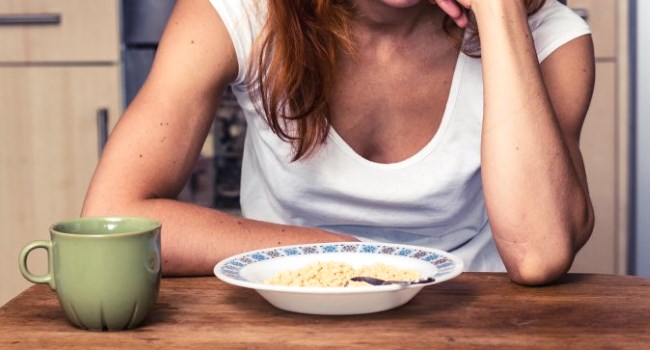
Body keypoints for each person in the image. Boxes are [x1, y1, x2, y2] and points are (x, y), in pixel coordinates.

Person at [81, 0, 595, 285]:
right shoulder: (240, 13)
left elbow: (540, 255)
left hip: (475, 318)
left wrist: (498, 11)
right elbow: (114, 212)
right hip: (289, 308)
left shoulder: (550, 36)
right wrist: (359, 260)